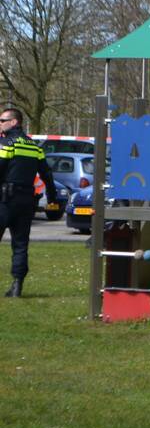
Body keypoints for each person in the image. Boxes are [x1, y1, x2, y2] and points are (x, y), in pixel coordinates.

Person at [0, 108, 57, 298]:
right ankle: (17, 285)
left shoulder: (7, 144)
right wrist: (52, 196)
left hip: (5, 200)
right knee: (21, 244)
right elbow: (47, 174)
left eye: (2, 120)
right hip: (26, 202)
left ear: (14, 122)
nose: (0, 123)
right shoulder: (35, 147)